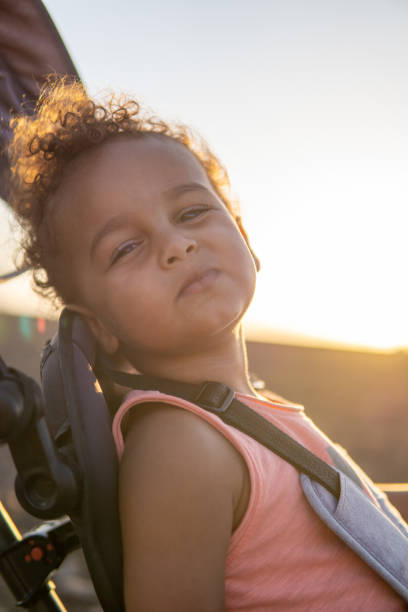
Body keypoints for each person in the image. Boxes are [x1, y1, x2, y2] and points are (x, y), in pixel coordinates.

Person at [7, 78, 407, 611]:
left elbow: (322, 529)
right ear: (97, 324)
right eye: (126, 247)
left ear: (244, 234)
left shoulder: (253, 412)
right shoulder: (181, 447)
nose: (176, 245)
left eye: (192, 212)